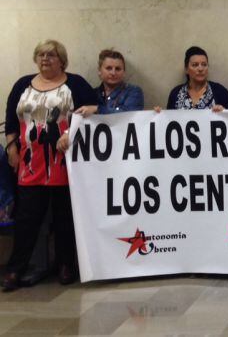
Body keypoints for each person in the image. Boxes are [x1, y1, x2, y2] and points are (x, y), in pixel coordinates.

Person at [2, 40, 98, 292]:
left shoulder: (75, 83)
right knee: (27, 218)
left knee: (65, 215)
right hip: (30, 162)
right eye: (42, 54)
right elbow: (11, 117)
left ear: (62, 60)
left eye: (52, 55)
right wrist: (12, 148)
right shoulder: (23, 84)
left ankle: (66, 265)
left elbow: (96, 108)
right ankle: (15, 268)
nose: (46, 58)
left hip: (65, 161)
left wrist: (80, 120)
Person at [165, 46, 228, 111]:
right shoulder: (176, 93)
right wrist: (157, 115)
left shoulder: (220, 92)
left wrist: (224, 112)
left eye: (204, 64)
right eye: (195, 65)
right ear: (186, 69)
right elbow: (168, 120)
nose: (200, 69)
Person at [95, 49, 144, 113]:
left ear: (124, 72)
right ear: (99, 71)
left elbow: (129, 115)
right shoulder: (91, 94)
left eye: (118, 69)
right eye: (109, 68)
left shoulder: (134, 92)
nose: (113, 73)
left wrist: (98, 109)